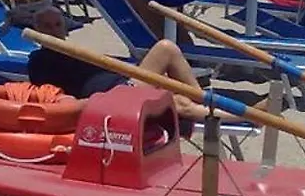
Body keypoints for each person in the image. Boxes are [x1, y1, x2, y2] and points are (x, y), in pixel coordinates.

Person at [25, 7, 208, 124]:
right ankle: (220, 108)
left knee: (179, 97)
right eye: (47, 26)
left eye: (58, 25)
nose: (54, 30)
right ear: (37, 30)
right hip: (114, 97)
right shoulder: (39, 60)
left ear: (65, 28)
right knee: (166, 52)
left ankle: (213, 105)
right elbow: (50, 96)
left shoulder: (74, 51)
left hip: (124, 85)